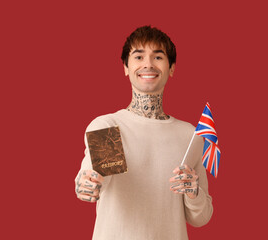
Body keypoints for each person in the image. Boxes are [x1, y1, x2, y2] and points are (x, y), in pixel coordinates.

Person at [75, 25, 213, 240]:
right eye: (138, 56)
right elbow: (101, 177)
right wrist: (88, 182)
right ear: (126, 67)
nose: (148, 64)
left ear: (172, 68)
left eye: (158, 57)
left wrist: (193, 193)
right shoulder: (108, 126)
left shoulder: (190, 135)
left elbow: (200, 218)